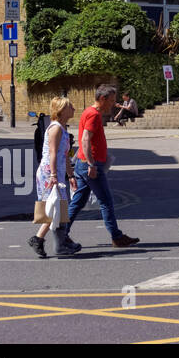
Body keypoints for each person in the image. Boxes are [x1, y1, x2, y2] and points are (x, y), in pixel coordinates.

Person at [68, 84, 139, 248]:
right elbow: (85, 139)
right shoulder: (93, 115)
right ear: (102, 99)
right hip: (90, 165)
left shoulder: (89, 112)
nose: (113, 104)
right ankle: (117, 237)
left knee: (78, 202)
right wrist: (92, 164)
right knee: (106, 200)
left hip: (82, 163)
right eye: (112, 100)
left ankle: (62, 232)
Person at [29, 97, 82, 258]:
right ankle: (54, 242)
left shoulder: (63, 128)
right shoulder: (56, 128)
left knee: (59, 208)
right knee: (55, 207)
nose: (73, 108)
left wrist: (70, 175)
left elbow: (65, 155)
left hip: (57, 172)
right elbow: (52, 152)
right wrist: (53, 175)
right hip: (48, 173)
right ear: (61, 110)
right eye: (70, 106)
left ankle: (47, 240)